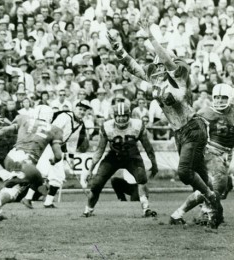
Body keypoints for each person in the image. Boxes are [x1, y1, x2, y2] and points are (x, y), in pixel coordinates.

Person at [106, 20, 223, 229]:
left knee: (185, 172)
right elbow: (131, 65)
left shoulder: (177, 74)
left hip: (192, 127)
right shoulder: (153, 79)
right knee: (201, 175)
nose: (159, 67)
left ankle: (211, 197)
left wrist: (151, 37)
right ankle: (216, 211)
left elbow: (173, 88)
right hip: (180, 132)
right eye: (157, 65)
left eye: (162, 64)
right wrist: (117, 47)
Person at [170, 84, 234, 226]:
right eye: (216, 97)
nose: (219, 101)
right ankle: (207, 214)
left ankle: (181, 214)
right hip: (211, 152)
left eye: (223, 98)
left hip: (228, 154)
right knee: (217, 186)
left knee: (214, 188)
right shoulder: (205, 113)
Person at [0, 105, 63, 219]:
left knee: (14, 186)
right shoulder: (55, 130)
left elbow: (2, 131)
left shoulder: (23, 118)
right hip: (27, 162)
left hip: (11, 156)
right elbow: (58, 156)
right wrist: (54, 160)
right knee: (35, 182)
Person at [82, 102, 158, 217]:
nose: (121, 119)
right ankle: (88, 210)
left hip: (132, 156)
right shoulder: (106, 127)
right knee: (96, 184)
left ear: (128, 116)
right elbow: (99, 150)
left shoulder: (137, 125)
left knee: (141, 178)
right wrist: (90, 170)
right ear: (114, 116)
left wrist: (154, 164)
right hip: (114, 156)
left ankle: (146, 209)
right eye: (119, 116)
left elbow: (149, 148)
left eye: (124, 116)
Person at [35, 100, 91, 208]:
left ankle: (47, 202)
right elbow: (52, 130)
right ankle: (24, 196)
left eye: (84, 110)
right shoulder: (65, 116)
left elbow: (72, 142)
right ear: (75, 108)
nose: (82, 112)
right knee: (41, 173)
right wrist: (55, 148)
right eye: (80, 109)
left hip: (57, 148)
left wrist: (71, 157)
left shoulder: (80, 124)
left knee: (58, 176)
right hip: (49, 145)